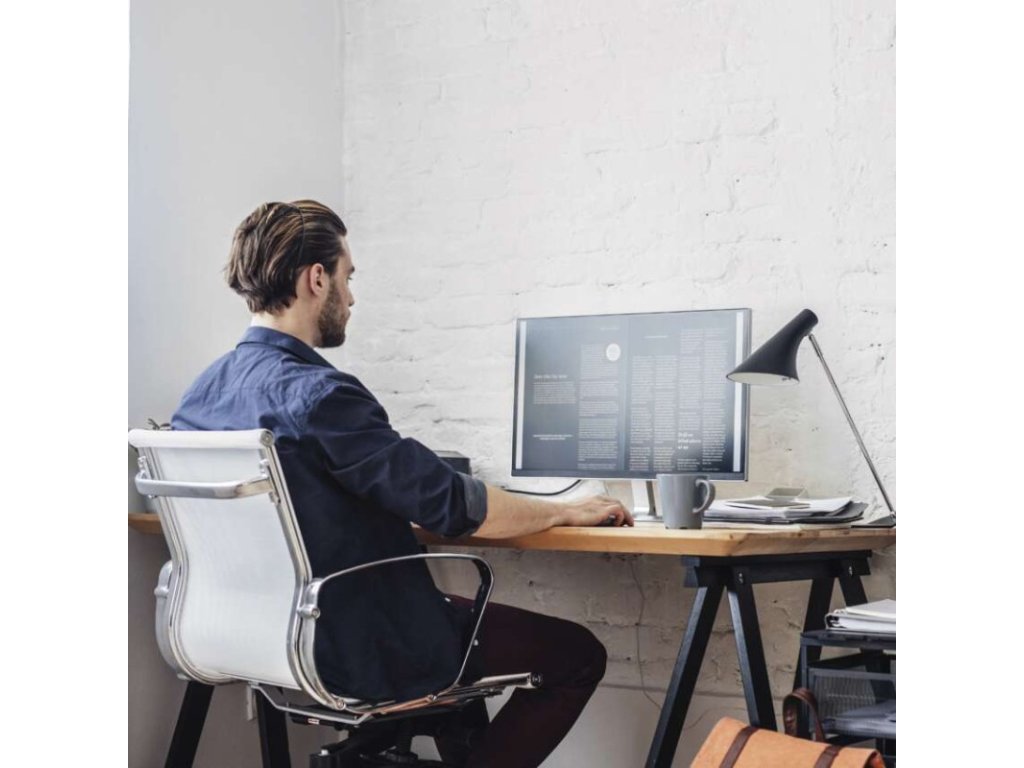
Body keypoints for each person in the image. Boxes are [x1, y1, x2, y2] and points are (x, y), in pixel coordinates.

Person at [172, 200, 633, 767]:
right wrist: (565, 510)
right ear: (316, 279)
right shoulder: (321, 396)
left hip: (258, 636)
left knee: (456, 669)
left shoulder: (200, 396)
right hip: (355, 642)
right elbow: (455, 507)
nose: (351, 297)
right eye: (348, 277)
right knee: (577, 655)